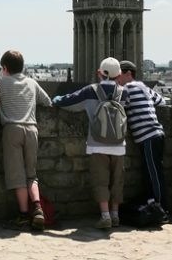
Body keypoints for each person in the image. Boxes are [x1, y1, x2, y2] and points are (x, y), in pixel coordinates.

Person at [53, 57, 127, 229]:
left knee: (100, 180)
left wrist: (55, 99)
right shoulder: (124, 92)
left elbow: (67, 101)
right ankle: (116, 215)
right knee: (117, 181)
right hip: (119, 144)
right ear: (118, 75)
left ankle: (105, 216)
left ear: (99, 73)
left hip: (97, 143)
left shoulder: (91, 90)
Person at [0, 50, 52, 231]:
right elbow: (48, 102)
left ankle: (23, 215)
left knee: (17, 176)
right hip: (32, 128)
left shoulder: (1, 81)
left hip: (12, 129)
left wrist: (2, 103)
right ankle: (37, 208)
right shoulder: (32, 82)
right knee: (31, 174)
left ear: (5, 68)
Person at [118, 60, 169, 219]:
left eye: (119, 74)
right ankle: (154, 205)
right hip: (156, 134)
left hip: (148, 137)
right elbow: (162, 101)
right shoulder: (143, 87)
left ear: (128, 74)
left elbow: (118, 105)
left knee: (153, 174)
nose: (117, 78)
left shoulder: (127, 89)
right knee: (151, 173)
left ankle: (161, 209)